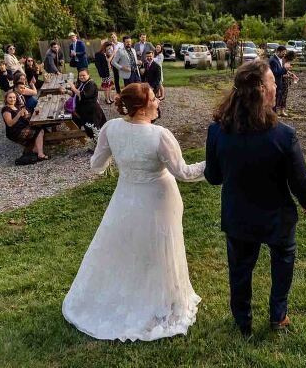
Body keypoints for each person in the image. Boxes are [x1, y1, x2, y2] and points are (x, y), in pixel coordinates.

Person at [63, 83, 206, 342]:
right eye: (154, 98)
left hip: (125, 199)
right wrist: (213, 164)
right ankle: (161, 302)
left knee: (128, 248)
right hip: (158, 200)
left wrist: (119, 155)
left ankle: (133, 294)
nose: (158, 101)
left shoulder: (110, 128)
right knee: (158, 249)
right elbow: (183, 173)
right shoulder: (160, 135)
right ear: (142, 107)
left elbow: (96, 165)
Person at [205, 60, 306, 336]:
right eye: (273, 82)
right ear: (262, 90)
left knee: (240, 270)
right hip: (277, 216)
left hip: (238, 215)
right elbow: (300, 179)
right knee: (283, 260)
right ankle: (278, 315)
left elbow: (214, 176)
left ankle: (243, 321)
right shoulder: (284, 135)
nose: (277, 85)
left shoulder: (217, 130)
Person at [1, 90, 47, 161]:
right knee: (39, 131)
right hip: (15, 131)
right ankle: (40, 154)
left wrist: (28, 115)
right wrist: (19, 114)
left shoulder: (15, 106)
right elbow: (10, 124)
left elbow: (22, 118)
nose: (12, 99)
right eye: (10, 97)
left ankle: (35, 150)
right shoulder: (6, 110)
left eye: (14, 97)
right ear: (6, 98)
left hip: (21, 127)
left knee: (40, 127)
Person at [64, 68, 106, 136]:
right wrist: (66, 91)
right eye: (80, 76)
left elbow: (82, 95)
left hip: (91, 112)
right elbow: (75, 94)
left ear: (88, 75)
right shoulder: (82, 83)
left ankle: (97, 143)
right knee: (84, 126)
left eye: (83, 75)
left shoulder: (91, 84)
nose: (81, 77)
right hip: (83, 111)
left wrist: (73, 87)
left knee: (93, 130)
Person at [277, 51, 298, 117]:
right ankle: (277, 111)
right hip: (281, 81)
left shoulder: (286, 62)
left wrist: (291, 74)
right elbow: (279, 73)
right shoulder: (281, 61)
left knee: (284, 96)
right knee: (280, 96)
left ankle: (282, 111)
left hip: (285, 81)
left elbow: (286, 71)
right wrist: (289, 76)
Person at [269, 45, 287, 113]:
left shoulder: (279, 59)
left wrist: (286, 73)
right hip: (275, 84)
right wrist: (285, 69)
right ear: (278, 52)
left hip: (278, 83)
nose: (284, 54)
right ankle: (272, 116)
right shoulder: (273, 60)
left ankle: (274, 115)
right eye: (283, 53)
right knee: (273, 102)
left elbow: (279, 70)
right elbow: (274, 73)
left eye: (285, 53)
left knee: (276, 102)